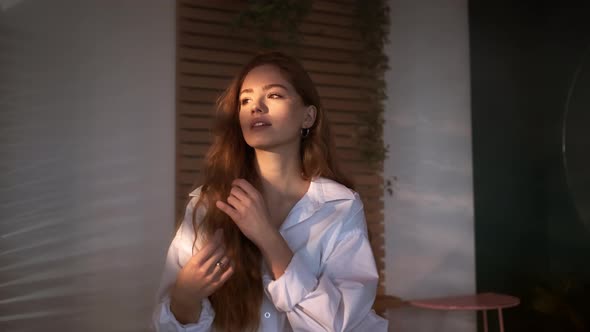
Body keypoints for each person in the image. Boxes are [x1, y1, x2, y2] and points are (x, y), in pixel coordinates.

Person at [152, 51, 388, 331]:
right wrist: (185, 296)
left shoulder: (339, 207)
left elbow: (341, 323)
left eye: (274, 95)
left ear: (308, 117)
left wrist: (266, 236)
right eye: (245, 100)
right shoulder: (208, 204)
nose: (256, 107)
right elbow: (167, 324)